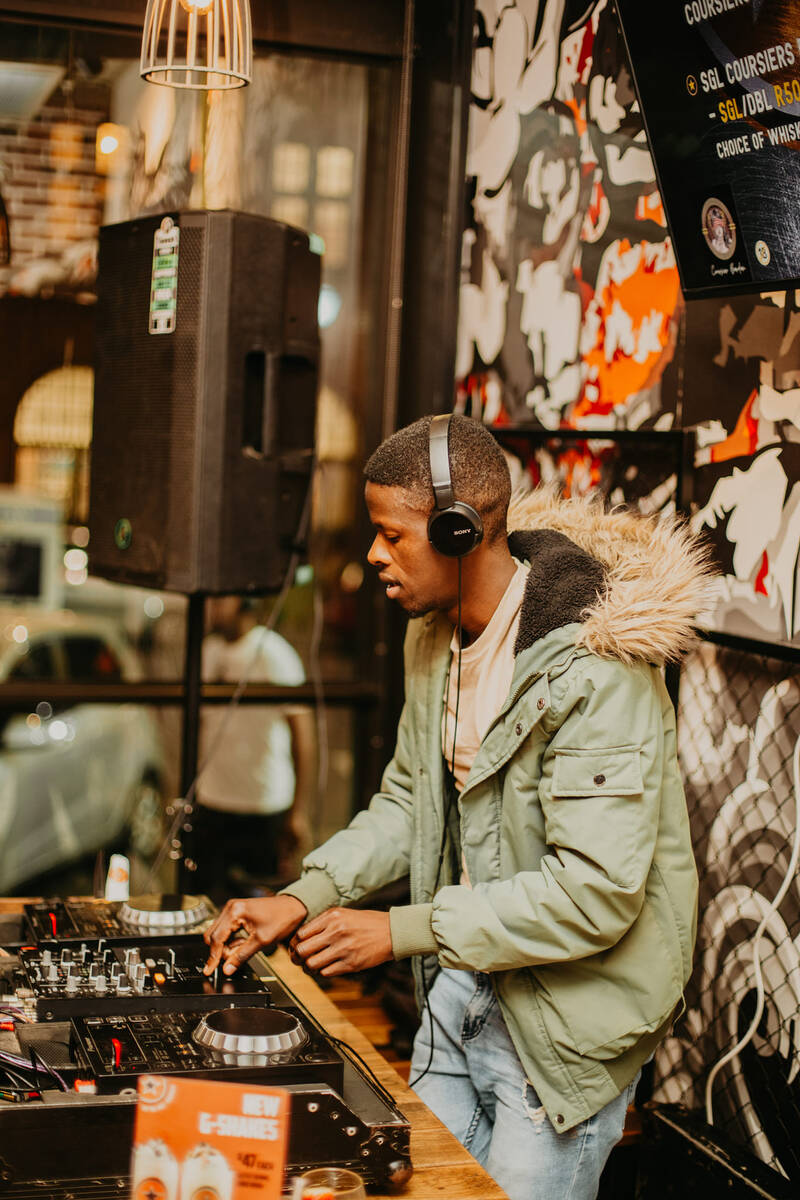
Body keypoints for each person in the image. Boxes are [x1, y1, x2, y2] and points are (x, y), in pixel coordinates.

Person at [204, 415, 711, 1200]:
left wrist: (400, 930)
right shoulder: (432, 640)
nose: (373, 555)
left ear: (459, 531)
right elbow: (411, 798)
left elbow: (595, 894)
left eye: (391, 535)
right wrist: (305, 896)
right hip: (462, 985)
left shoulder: (596, 670)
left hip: (566, 1028)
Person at [192, 595, 315, 901]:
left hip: (263, 806)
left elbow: (303, 735)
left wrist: (298, 812)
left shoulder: (275, 655)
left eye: (223, 598)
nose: (214, 606)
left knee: (260, 904)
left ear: (246, 601)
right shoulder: (208, 651)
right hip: (212, 801)